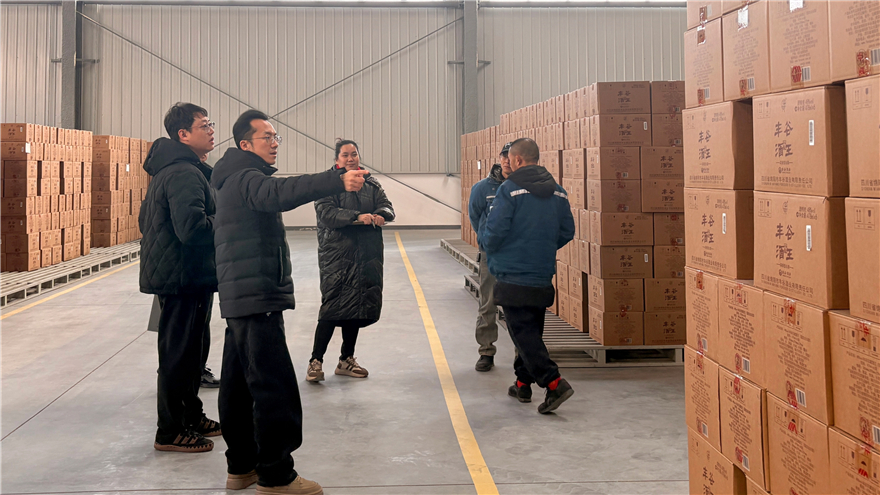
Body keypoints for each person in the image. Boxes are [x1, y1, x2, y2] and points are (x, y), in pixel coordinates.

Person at [212, 110, 368, 494]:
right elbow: (281, 193)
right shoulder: (246, 178)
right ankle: (276, 475)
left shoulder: (234, 178)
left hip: (241, 296)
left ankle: (242, 467)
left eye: (275, 136)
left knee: (238, 386)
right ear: (245, 144)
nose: (274, 142)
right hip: (256, 295)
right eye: (267, 137)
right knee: (274, 387)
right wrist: (335, 178)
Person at [139, 102, 221, 452]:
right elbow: (193, 229)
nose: (212, 131)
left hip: (187, 275)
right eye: (205, 125)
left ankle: (191, 415)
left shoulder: (177, 170)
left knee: (191, 353)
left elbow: (145, 220)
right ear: (183, 134)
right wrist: (227, 223)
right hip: (182, 276)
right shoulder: (183, 173)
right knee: (178, 355)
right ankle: (170, 431)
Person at [480, 138, 576, 414]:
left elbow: (494, 233)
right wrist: (541, 248)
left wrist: (491, 246)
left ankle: (554, 383)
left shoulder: (509, 190)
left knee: (522, 334)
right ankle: (522, 383)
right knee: (531, 330)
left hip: (513, 274)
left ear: (518, 160)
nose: (508, 163)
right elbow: (567, 231)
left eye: (510, 159)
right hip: (541, 273)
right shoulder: (558, 192)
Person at [306, 139, 394, 382]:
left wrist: (381, 214)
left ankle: (346, 359)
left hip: (366, 255)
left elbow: (387, 206)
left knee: (357, 306)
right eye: (345, 155)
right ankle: (315, 361)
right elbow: (327, 213)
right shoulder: (327, 186)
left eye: (354, 154)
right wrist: (357, 216)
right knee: (332, 306)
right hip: (337, 255)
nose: (350, 158)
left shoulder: (371, 183)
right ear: (337, 159)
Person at [468, 142, 513, 372]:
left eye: (511, 156)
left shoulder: (523, 187)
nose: (507, 160)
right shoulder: (482, 188)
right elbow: (475, 217)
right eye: (504, 156)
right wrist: (487, 240)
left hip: (516, 255)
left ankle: (522, 354)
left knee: (517, 305)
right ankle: (486, 351)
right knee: (488, 302)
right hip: (492, 255)